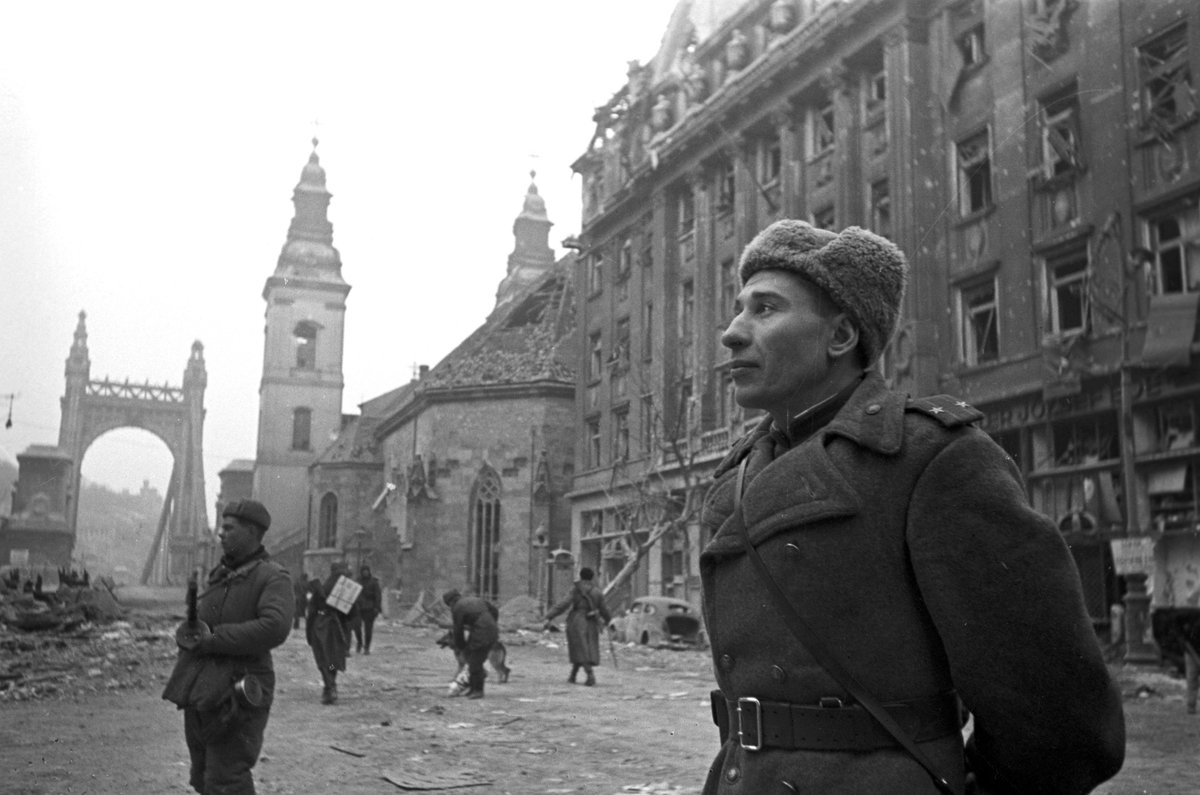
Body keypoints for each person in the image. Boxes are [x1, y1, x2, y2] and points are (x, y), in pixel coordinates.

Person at [699, 219, 1125, 794]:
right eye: (738, 309)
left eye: (765, 310)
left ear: (841, 337)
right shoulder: (740, 470)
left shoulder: (933, 459)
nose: (732, 333)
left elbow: (1058, 721)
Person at [161, 499, 293, 795]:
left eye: (229, 528)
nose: (220, 534)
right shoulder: (218, 575)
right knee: (202, 774)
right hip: (203, 687)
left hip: (240, 687)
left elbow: (275, 627)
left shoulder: (272, 576)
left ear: (251, 532)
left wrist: (212, 640)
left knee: (226, 778)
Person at [543, 567, 611, 686]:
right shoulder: (597, 592)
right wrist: (608, 620)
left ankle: (590, 674)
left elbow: (564, 604)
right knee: (585, 648)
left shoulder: (576, 590)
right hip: (591, 622)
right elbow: (604, 609)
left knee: (579, 648)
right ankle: (573, 675)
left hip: (577, 621)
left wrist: (549, 615)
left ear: (581, 576)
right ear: (592, 577)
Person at [306, 561, 355, 704]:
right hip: (337, 628)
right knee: (333, 660)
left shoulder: (323, 586)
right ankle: (331, 684)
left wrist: (309, 631)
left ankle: (329, 686)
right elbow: (351, 614)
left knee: (323, 659)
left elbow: (312, 610)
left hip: (321, 626)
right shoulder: (346, 588)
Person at [442, 589, 499, 699]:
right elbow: (494, 610)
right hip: (489, 630)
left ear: (451, 602)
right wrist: (492, 623)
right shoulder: (475, 600)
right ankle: (472, 688)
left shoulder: (457, 608)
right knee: (473, 659)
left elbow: (458, 630)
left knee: (474, 662)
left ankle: (478, 690)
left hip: (481, 632)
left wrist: (461, 646)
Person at [353, 564, 382, 655]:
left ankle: (367, 646)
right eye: (363, 571)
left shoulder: (374, 582)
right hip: (358, 607)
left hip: (370, 608)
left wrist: (377, 607)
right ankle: (359, 642)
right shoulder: (357, 581)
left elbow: (378, 595)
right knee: (357, 627)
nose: (365, 572)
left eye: (367, 570)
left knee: (368, 630)